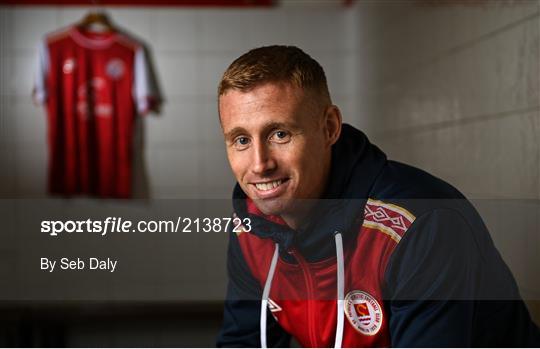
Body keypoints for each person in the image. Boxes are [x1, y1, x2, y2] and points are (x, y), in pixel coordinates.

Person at [215, 45, 540, 347]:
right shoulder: (252, 223)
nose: (260, 164)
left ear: (329, 128)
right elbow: (242, 341)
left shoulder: (422, 223)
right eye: (241, 140)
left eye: (280, 134)